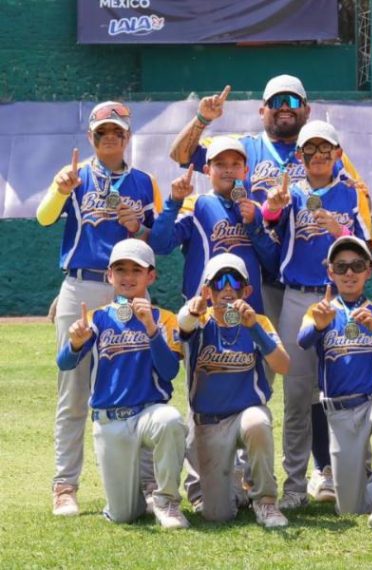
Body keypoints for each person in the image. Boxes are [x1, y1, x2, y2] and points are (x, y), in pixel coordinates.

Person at [169, 75, 370, 506]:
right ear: (262, 109)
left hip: (303, 277)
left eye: (292, 101)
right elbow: (182, 156)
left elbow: (356, 194)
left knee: (316, 376)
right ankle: (231, 472)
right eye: (275, 101)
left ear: (306, 109)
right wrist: (203, 118)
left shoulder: (325, 151)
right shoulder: (245, 147)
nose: (284, 107)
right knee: (245, 367)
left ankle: (324, 470)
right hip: (255, 280)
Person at [38, 101, 162, 516]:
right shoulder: (75, 177)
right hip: (82, 286)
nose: (110, 138)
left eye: (117, 132)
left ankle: (148, 484)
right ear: (91, 138)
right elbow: (43, 218)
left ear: (128, 137)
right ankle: (65, 485)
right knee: (73, 390)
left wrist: (136, 226)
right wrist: (59, 189)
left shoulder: (144, 181)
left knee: (139, 385)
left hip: (129, 289)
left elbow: (156, 241)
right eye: (102, 133)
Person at [262, 120, 372, 510]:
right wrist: (272, 207)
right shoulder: (291, 193)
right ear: (300, 156)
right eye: (310, 150)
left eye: (326, 150)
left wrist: (337, 226)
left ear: (338, 155)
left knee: (349, 390)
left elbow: (365, 245)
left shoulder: (352, 193)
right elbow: (269, 218)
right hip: (297, 298)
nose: (319, 157)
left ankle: (355, 475)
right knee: (295, 394)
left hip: (343, 299)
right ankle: (294, 483)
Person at [56, 239, 188, 529]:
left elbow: (168, 372)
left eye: (136, 270)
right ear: (109, 276)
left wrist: (151, 329)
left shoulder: (164, 319)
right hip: (110, 421)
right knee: (125, 515)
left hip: (147, 415)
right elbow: (65, 363)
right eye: (121, 270)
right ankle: (136, 496)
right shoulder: (97, 318)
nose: (128, 277)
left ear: (150, 276)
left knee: (171, 420)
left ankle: (166, 500)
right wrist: (75, 343)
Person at [297, 236, 372, 527]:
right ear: (330, 272)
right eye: (341, 266)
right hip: (338, 412)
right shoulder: (320, 310)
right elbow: (302, 342)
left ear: (368, 271)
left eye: (357, 265)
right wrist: (319, 328)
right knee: (350, 509)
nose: (349, 273)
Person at [176, 253, 290, 528]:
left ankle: (265, 500)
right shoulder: (199, 321)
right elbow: (183, 327)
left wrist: (254, 330)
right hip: (210, 424)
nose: (227, 289)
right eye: (219, 282)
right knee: (218, 515)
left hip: (244, 415)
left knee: (258, 422)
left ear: (247, 290)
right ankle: (236, 487)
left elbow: (283, 365)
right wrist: (194, 309)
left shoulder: (258, 321)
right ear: (207, 290)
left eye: (235, 282)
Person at [151, 138, 279, 315]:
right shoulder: (195, 205)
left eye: (236, 164)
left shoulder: (255, 209)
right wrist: (174, 202)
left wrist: (254, 226)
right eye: (220, 164)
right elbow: (159, 244)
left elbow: (273, 264)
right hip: (203, 311)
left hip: (247, 312)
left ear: (245, 171)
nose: (228, 170)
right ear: (206, 170)